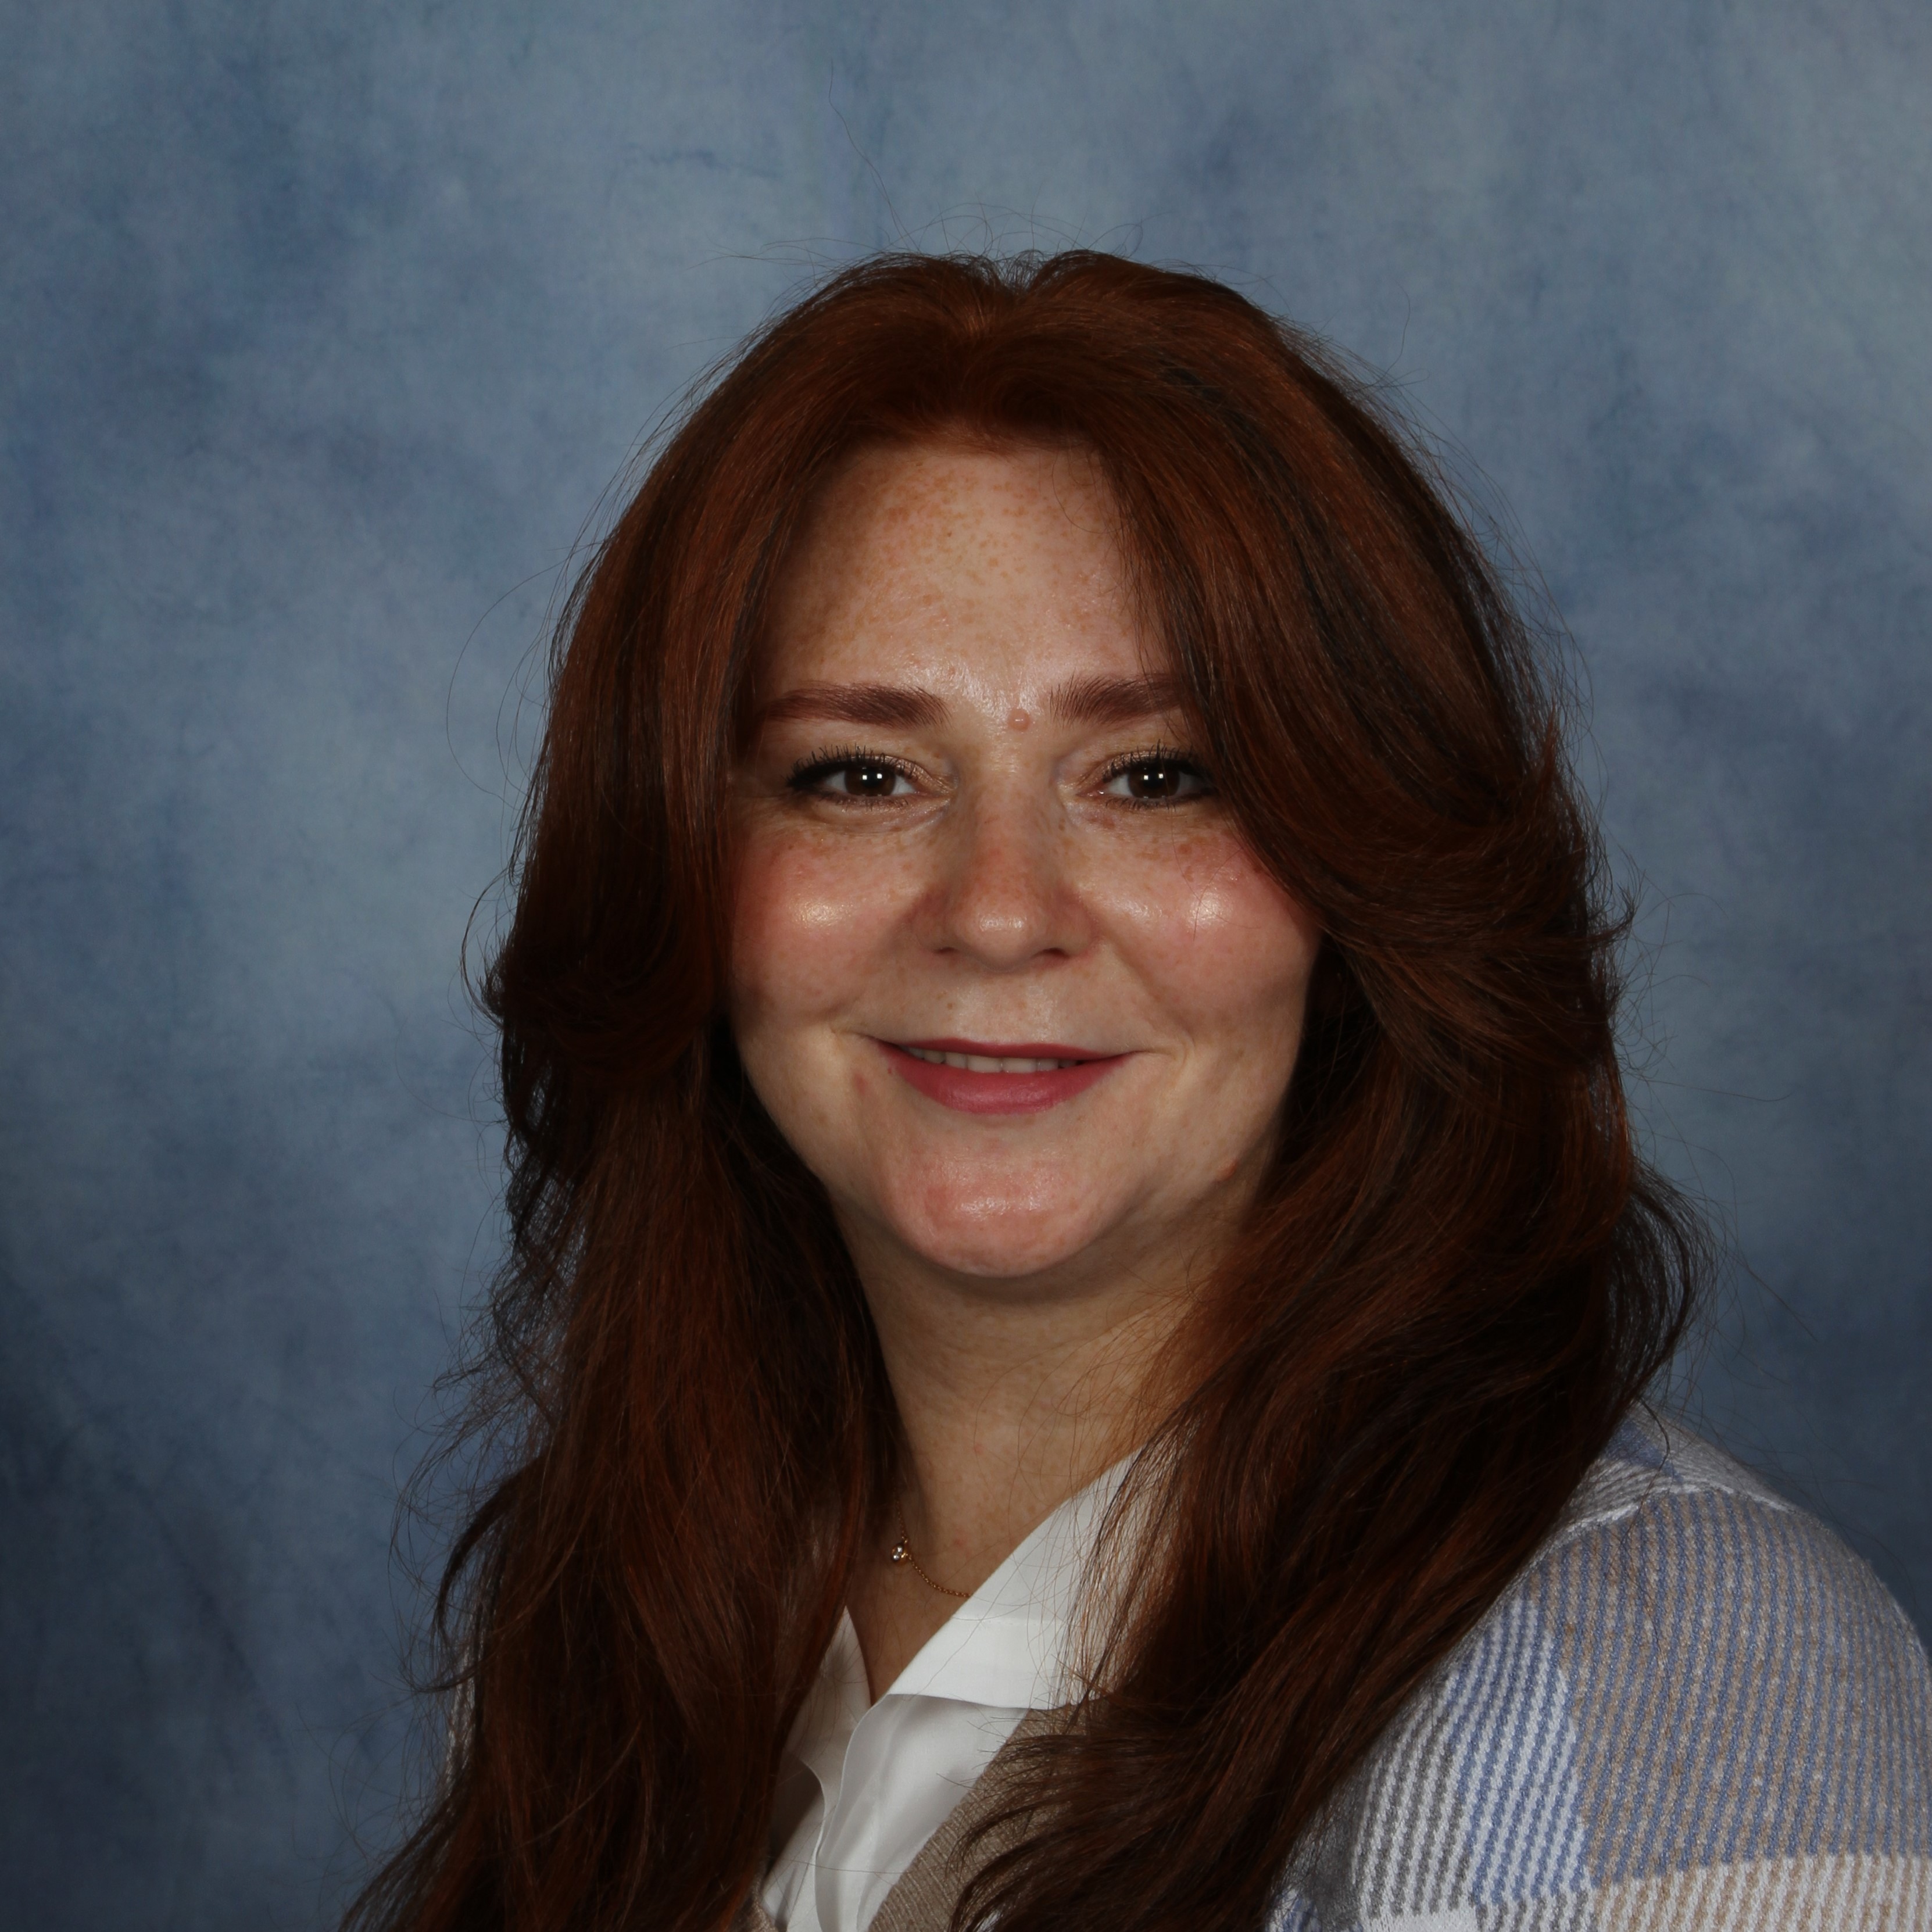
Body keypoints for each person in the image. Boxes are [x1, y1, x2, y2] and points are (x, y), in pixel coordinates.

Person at [349, 252, 1932, 1932]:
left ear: (1360, 879)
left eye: (1156, 775)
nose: (997, 910)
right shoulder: (607, 1619)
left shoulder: (1664, 1687)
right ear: (676, 865)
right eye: (860, 774)